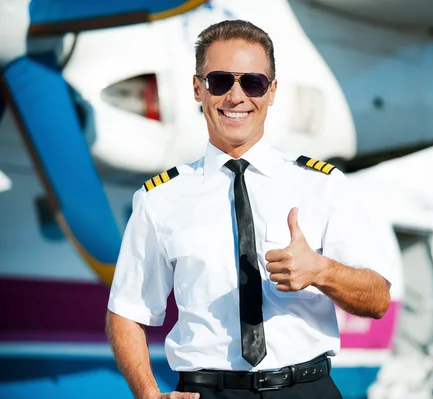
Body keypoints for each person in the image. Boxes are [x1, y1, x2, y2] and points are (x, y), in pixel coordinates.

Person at [106, 19, 393, 399]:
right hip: (207, 391)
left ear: (271, 91)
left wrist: (320, 270)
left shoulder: (322, 185)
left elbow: (378, 299)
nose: (236, 97)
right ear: (198, 88)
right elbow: (126, 312)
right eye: (220, 81)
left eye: (253, 82)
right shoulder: (159, 198)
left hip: (305, 389)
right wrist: (147, 393)